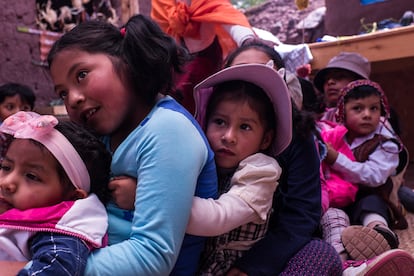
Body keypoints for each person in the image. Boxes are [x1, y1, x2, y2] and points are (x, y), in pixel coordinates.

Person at [46, 14, 217, 276]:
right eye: (63, 93)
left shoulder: (167, 130)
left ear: (127, 61)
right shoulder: (106, 136)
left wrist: (41, 268)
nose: (74, 99)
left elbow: (152, 257)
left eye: (81, 75)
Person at [220, 41, 343, 275]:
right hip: (214, 250)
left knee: (321, 253)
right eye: (242, 75)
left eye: (262, 74)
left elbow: (302, 215)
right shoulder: (213, 134)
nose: (251, 85)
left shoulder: (298, 137)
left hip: (279, 248)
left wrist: (251, 267)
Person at [185, 63, 290, 274]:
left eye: (245, 127)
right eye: (220, 122)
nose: (229, 137)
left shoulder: (261, 173)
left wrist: (151, 199)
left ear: (266, 139)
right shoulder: (202, 159)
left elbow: (218, 217)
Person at [0, 111, 110, 275]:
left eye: (31, 176)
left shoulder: (60, 231)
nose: (6, 182)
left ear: (72, 198)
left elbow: (55, 269)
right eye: (6, 167)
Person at [151, 0, 269, 114]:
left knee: (207, 105)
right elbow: (157, 35)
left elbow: (225, 14)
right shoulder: (161, 3)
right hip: (173, 65)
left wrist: (246, 39)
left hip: (206, 63)